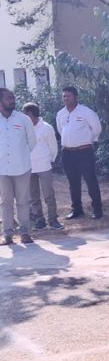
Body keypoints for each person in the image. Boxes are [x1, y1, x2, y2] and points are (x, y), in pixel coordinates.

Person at [56, 86, 103, 219]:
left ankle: (97, 209)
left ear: (76, 97)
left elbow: (97, 128)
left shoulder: (86, 112)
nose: (66, 98)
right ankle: (77, 209)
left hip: (84, 152)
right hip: (67, 153)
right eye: (64, 96)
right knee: (73, 183)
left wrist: (88, 141)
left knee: (91, 181)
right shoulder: (60, 114)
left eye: (68, 96)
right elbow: (61, 130)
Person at [0, 88, 37, 245]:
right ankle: (7, 234)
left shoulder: (23, 119)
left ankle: (25, 233)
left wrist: (20, 156)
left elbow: (32, 142)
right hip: (1, 169)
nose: (12, 100)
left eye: (13, 97)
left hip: (22, 167)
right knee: (5, 201)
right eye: (9, 98)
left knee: (22, 201)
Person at [23, 102, 62, 230]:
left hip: (44, 166)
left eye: (27, 115)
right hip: (29, 167)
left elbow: (53, 147)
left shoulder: (46, 128)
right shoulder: (23, 128)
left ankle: (53, 220)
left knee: (48, 195)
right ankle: (39, 219)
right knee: (33, 196)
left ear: (34, 114)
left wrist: (50, 160)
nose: (25, 117)